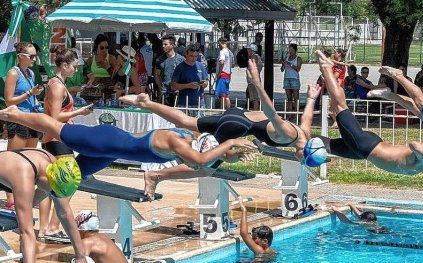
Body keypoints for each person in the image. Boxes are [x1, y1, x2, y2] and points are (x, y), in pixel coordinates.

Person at [119, 59, 307, 199]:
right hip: (236, 127)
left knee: (187, 122)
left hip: (237, 115)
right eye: (304, 158)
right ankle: (155, 176)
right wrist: (257, 84)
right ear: (305, 151)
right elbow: (271, 112)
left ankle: (146, 103)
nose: (301, 160)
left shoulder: (304, 133)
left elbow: (305, 116)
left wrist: (313, 97)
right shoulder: (289, 134)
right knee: (204, 167)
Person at [302, 50, 423, 178]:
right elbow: (414, 144)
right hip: (364, 145)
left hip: (365, 152)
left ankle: (293, 138)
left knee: (322, 144)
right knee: (339, 107)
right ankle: (326, 67)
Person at [0, 106, 256, 179]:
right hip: (104, 141)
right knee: (53, 126)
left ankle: (19, 198)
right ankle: (13, 113)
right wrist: (231, 141)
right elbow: (201, 161)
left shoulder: (188, 145)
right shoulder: (177, 143)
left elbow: (203, 165)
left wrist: (226, 155)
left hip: (108, 153)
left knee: (66, 183)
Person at [0, 150, 89, 263]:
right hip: (17, 170)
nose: (54, 196)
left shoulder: (54, 166)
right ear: (47, 178)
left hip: (19, 172)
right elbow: (26, 232)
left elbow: (65, 213)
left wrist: (80, 255)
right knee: (24, 221)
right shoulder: (24, 175)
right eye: (54, 192)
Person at [40, 49, 93, 241]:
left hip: (55, 139)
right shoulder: (57, 86)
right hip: (56, 139)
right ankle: (53, 227)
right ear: (65, 65)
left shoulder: (58, 83)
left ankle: (45, 228)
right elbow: (53, 118)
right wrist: (79, 112)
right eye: (74, 66)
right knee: (68, 183)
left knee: (50, 184)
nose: (75, 70)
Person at [3, 42, 43, 211]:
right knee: (13, 158)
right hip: (17, 118)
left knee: (28, 158)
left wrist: (36, 101)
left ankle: (22, 194)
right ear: (21, 56)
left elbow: (30, 98)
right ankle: (10, 197)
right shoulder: (13, 73)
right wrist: (29, 94)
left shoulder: (31, 73)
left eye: (35, 56)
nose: (35, 59)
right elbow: (8, 100)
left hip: (30, 118)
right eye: (31, 56)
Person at [170, 43, 208, 110]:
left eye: (196, 56)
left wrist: (204, 84)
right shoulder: (180, 67)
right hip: (184, 103)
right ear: (186, 54)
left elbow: (206, 81)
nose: (194, 58)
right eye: (191, 56)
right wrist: (188, 85)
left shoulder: (201, 66)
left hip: (199, 102)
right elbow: (173, 86)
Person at [84, 34, 120, 100]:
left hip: (108, 90)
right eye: (102, 47)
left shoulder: (111, 58)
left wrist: (107, 67)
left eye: (107, 47)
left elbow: (116, 77)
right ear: (96, 47)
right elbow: (85, 73)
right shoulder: (91, 59)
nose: (104, 50)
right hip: (94, 91)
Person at [155, 35, 185, 106]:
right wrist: (160, 87)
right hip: (165, 92)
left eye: (165, 44)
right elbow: (157, 74)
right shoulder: (159, 59)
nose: (163, 46)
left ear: (173, 45)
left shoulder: (181, 59)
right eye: (162, 44)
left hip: (178, 92)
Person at [281, 43, 302, 114]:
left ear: (295, 50)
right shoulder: (286, 58)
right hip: (287, 78)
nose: (290, 51)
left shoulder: (298, 58)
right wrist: (283, 65)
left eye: (292, 50)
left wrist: (290, 64)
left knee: (296, 98)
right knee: (289, 98)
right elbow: (282, 70)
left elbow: (298, 69)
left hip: (294, 79)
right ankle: (289, 113)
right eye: (289, 50)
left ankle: (297, 113)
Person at [215, 38, 233, 109]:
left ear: (221, 42)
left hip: (222, 75)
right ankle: (228, 110)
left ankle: (222, 111)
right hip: (227, 75)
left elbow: (221, 62)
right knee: (226, 95)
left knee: (222, 95)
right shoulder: (229, 52)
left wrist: (219, 73)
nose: (218, 45)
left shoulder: (222, 51)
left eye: (218, 44)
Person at [244, 43, 263, 110]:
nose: (247, 51)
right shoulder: (255, 57)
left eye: (248, 50)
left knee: (255, 98)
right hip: (252, 81)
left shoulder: (254, 57)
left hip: (253, 81)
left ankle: (256, 112)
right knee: (253, 98)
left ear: (252, 50)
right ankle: (256, 111)